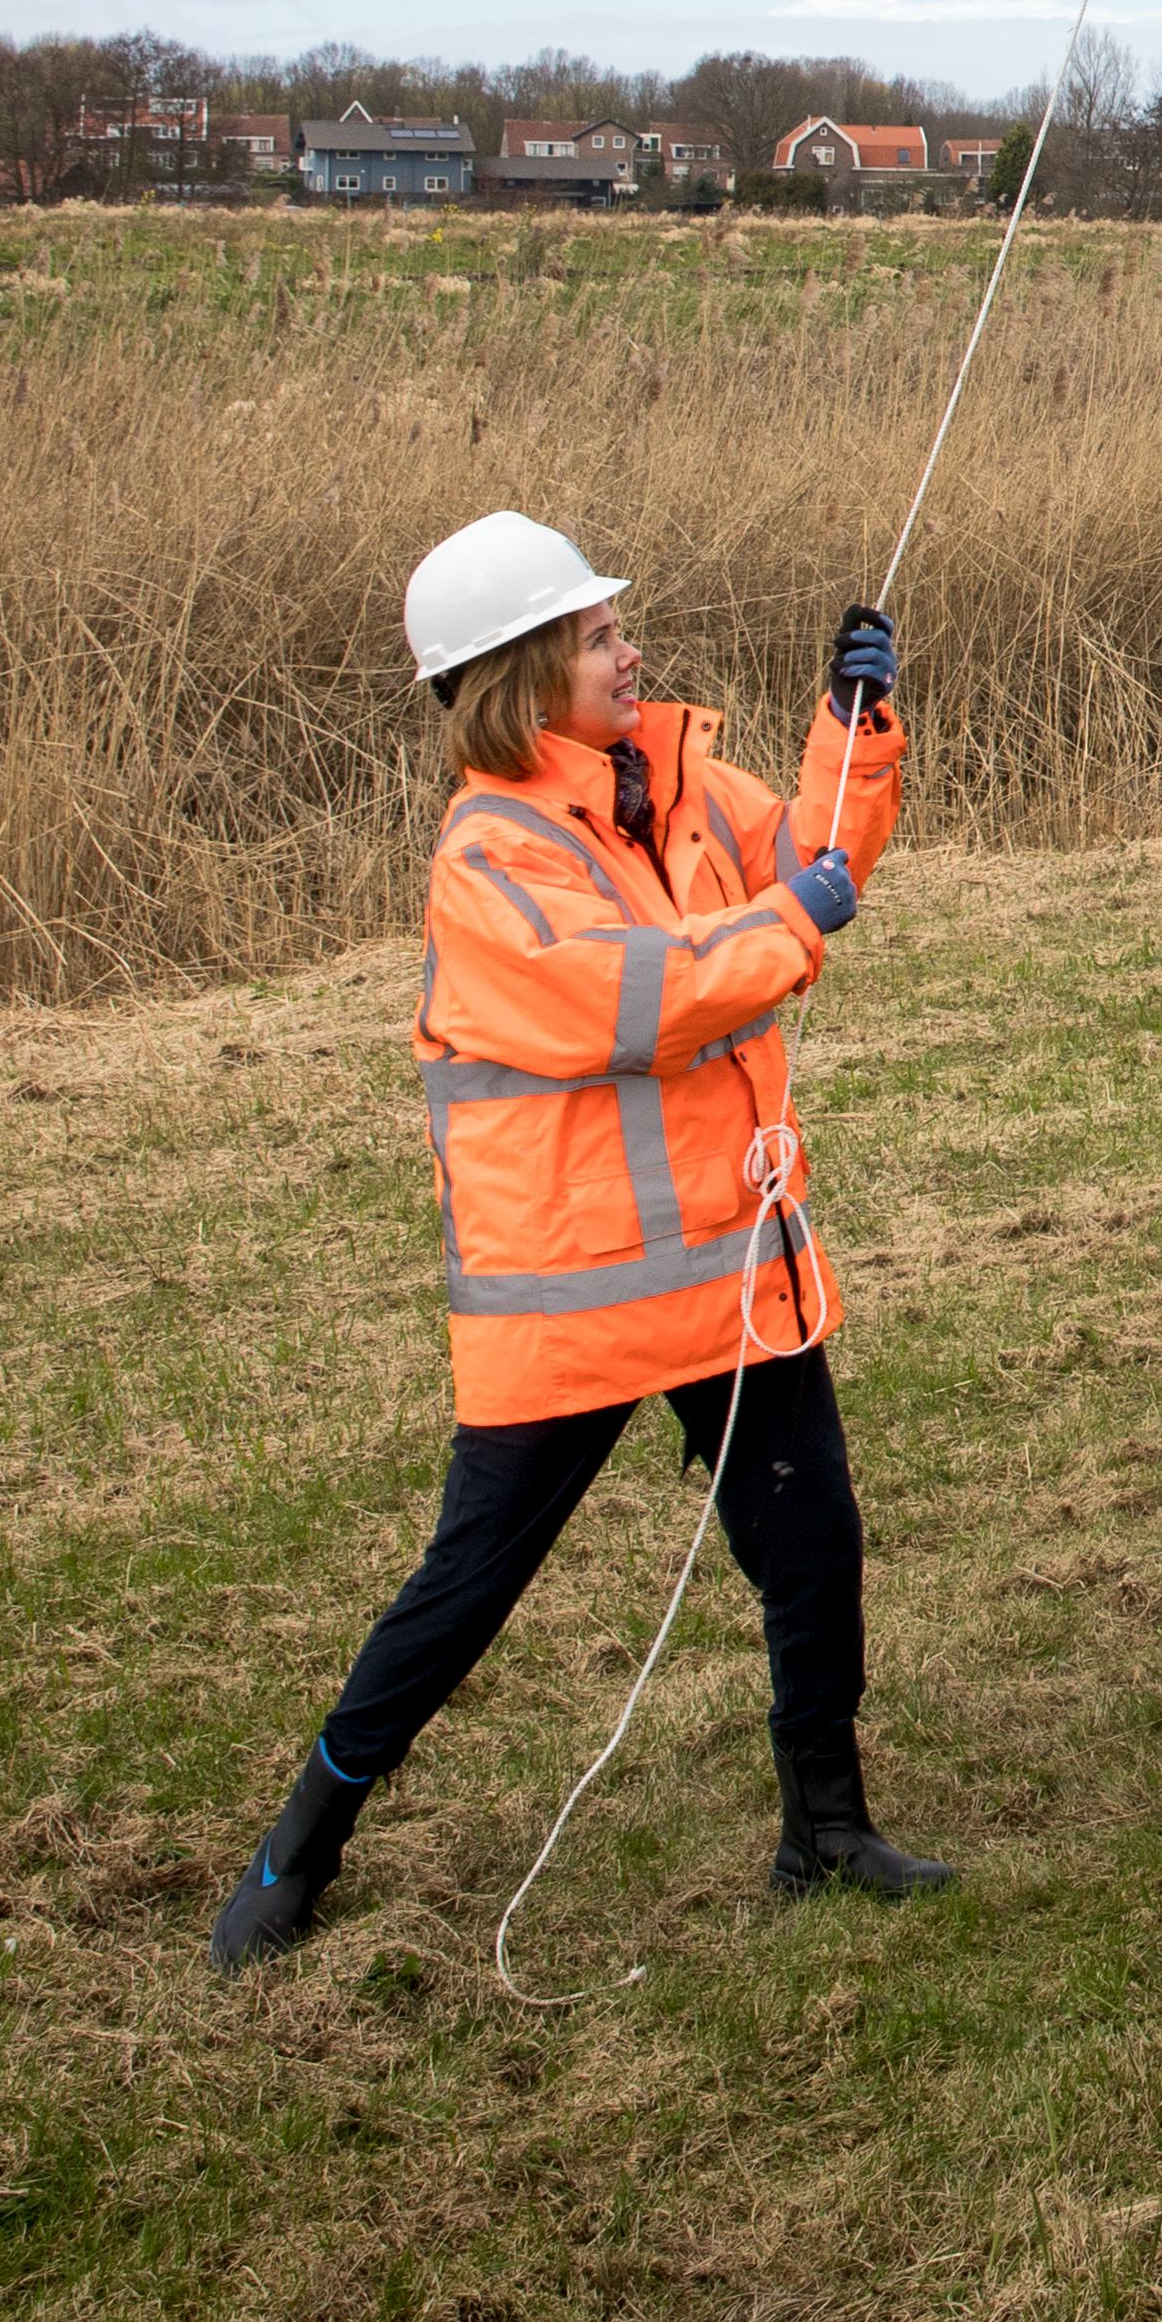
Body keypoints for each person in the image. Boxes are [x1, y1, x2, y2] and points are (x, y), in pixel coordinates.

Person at [210, 511, 943, 1976]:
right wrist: (795, 915)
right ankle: (298, 1849)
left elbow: (812, 857)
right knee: (465, 1589)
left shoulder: (668, 783)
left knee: (815, 1546)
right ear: (525, 670)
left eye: (619, 626)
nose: (632, 648)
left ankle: (827, 1828)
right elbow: (642, 996)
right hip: (577, 1299)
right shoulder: (489, 857)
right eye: (601, 633)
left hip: (732, 1261)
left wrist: (853, 731)